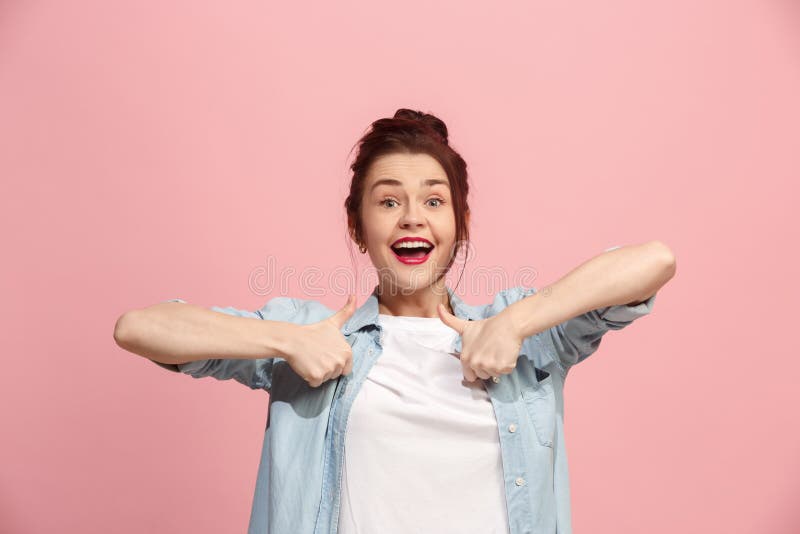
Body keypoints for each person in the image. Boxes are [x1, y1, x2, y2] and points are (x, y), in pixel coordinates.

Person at [113, 108, 676, 534]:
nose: (412, 217)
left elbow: (653, 261)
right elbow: (140, 327)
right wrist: (284, 340)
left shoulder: (524, 338)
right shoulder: (313, 335)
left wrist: (514, 323)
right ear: (357, 226)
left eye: (434, 201)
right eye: (387, 202)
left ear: (461, 222)